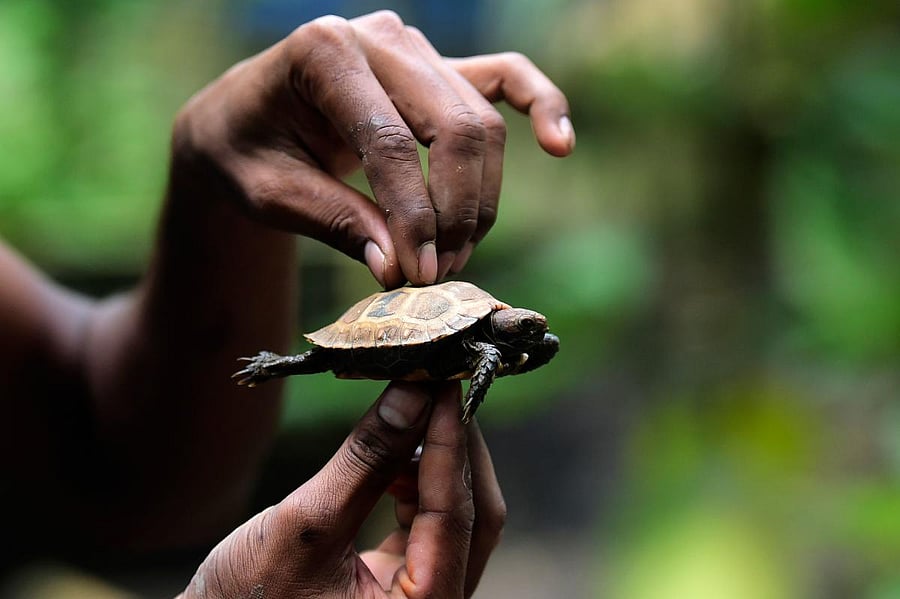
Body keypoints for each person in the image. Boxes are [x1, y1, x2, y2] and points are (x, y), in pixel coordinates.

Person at [0, 10, 573, 598]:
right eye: (522, 326)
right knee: (328, 357)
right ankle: (294, 360)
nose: (531, 331)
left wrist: (214, 175)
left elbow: (103, 437)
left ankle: (281, 357)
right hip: (404, 340)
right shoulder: (481, 346)